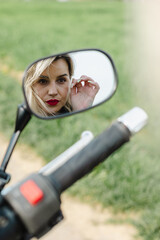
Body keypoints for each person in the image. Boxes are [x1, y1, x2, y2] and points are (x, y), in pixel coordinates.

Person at [24, 54, 99, 117]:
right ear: (30, 84)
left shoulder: (72, 112)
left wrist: (80, 110)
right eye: (43, 81)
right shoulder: (25, 114)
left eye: (61, 80)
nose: (53, 92)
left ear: (71, 81)